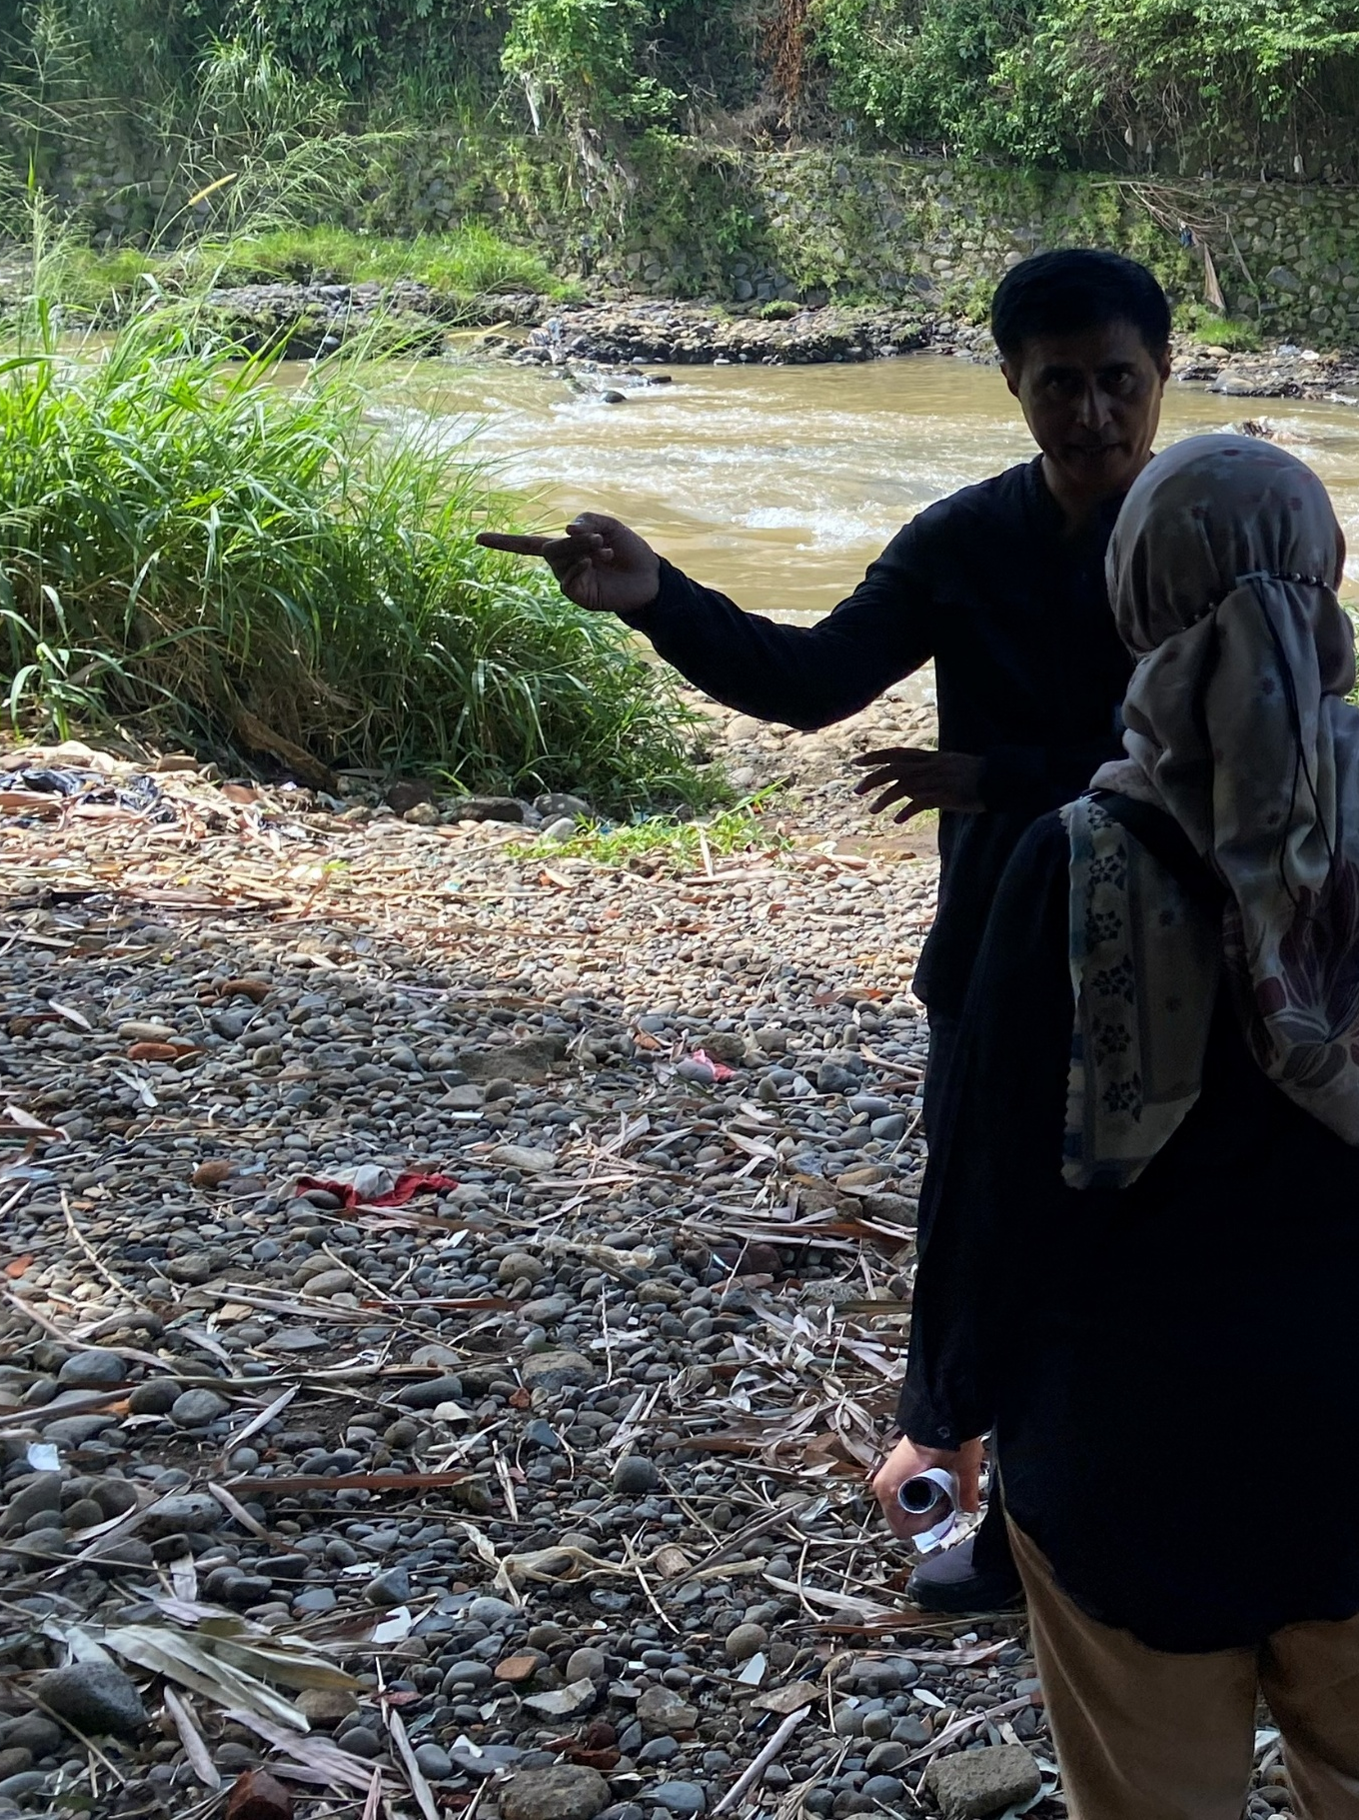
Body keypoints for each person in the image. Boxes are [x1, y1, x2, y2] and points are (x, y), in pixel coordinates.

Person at [876, 431, 1359, 1820]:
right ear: (1331, 577)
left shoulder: (1068, 855)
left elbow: (992, 1174)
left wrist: (944, 1413)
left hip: (1122, 1455)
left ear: (1136, 609)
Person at [487, 246, 1172, 1612]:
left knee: (1159, 1236)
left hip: (1178, 949)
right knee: (995, 1227)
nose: (1092, 415)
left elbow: (1246, 740)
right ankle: (1032, 1526)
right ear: (1011, 385)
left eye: (1117, 382)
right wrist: (660, 598)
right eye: (1059, 386)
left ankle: (1156, 1509)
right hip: (997, 948)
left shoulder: (1210, 529)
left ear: (1167, 373)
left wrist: (1002, 777)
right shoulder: (961, 541)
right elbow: (811, 683)